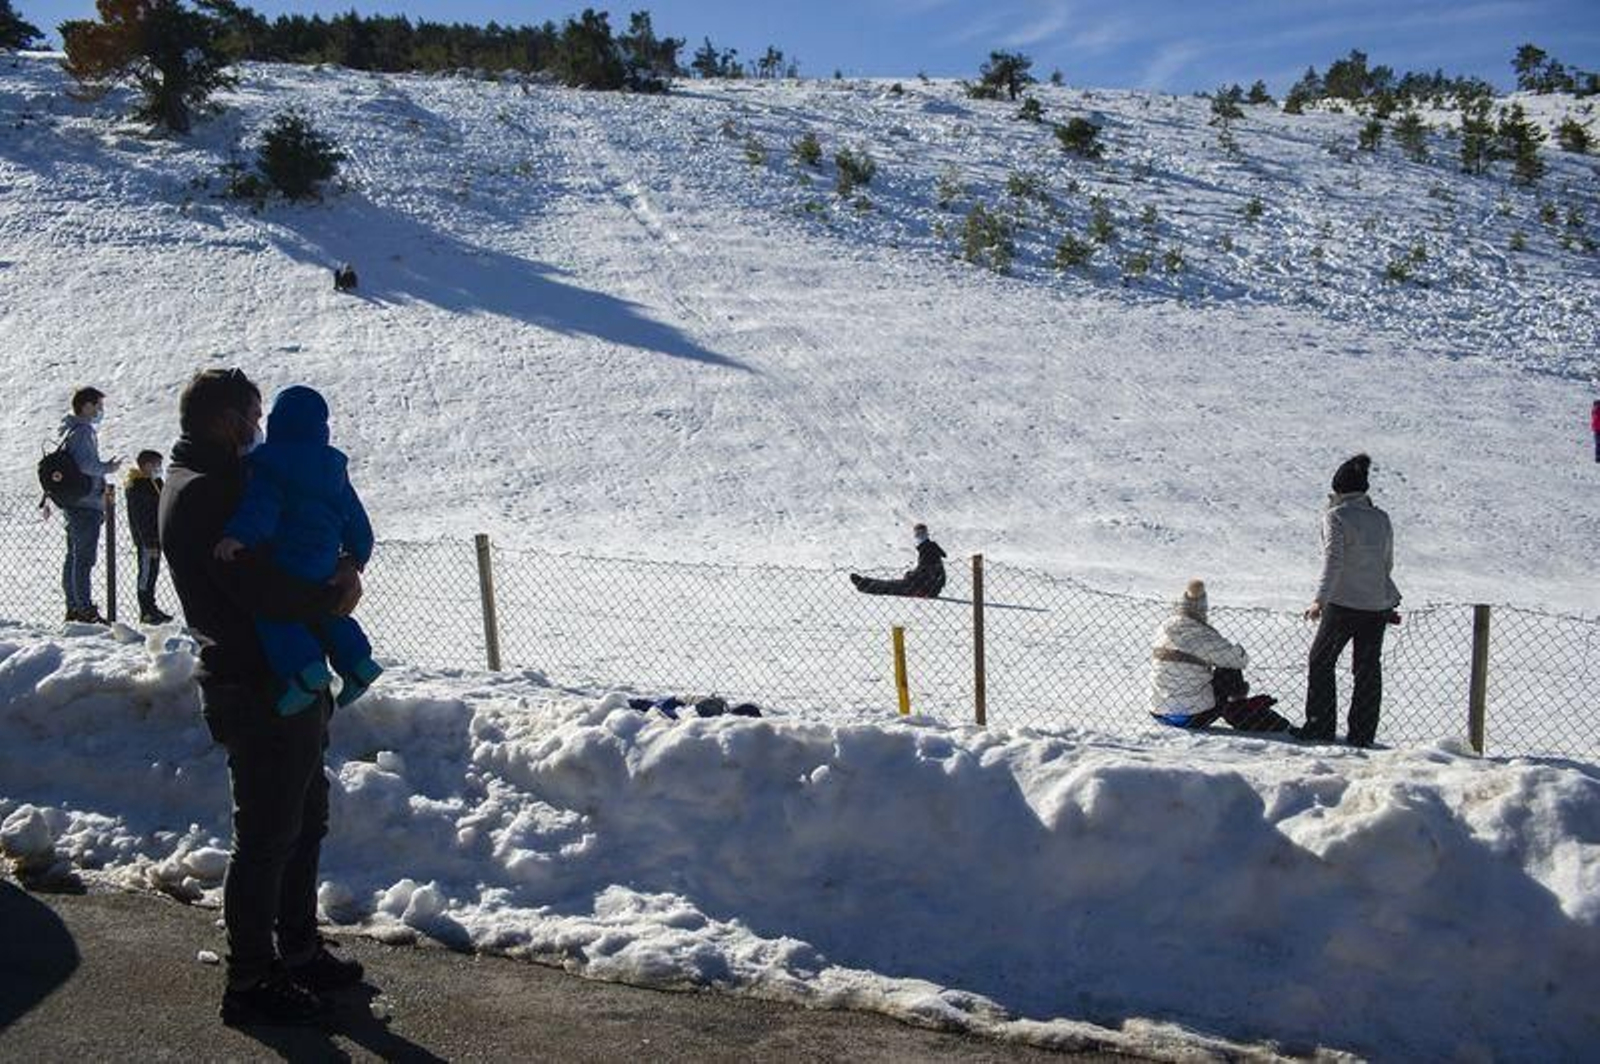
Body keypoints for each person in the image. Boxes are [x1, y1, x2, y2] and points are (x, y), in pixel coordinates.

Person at [160, 368, 367, 1026]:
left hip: (273, 678)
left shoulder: (205, 481)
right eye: (252, 416)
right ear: (225, 420)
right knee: (269, 836)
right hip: (257, 684)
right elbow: (259, 590)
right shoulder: (208, 494)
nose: (260, 430)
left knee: (303, 822)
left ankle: (298, 951)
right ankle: (251, 979)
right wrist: (334, 596)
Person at [214, 385, 381, 715]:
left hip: (287, 559)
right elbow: (356, 519)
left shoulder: (270, 464)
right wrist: (355, 555)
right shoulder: (334, 469)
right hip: (325, 562)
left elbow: (262, 507)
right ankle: (358, 663)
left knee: (275, 613)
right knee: (327, 610)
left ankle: (304, 674)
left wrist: (238, 536)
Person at [1294, 453, 1401, 748]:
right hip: (1377, 604)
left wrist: (1319, 600)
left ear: (1338, 490)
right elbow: (1386, 561)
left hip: (1343, 603)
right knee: (1367, 669)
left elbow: (1333, 561)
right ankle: (1363, 734)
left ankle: (1320, 725)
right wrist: (1381, 593)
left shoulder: (1336, 517)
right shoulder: (1381, 518)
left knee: (1320, 662)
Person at [1148, 579, 1291, 732]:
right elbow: (1239, 660)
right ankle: (1238, 713)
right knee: (1229, 669)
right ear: (1203, 608)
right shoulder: (1203, 633)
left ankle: (1236, 709)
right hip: (1193, 717)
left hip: (1158, 711)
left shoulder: (1163, 628)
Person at [58, 386, 119, 623]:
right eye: (98, 405)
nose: (100, 411)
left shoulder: (70, 430)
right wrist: (107, 468)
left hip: (74, 501)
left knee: (73, 557)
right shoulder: (82, 432)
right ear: (86, 406)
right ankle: (83, 609)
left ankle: (74, 606)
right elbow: (85, 465)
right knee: (83, 559)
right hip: (86, 503)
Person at [125, 449, 174, 624]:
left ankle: (152, 607)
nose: (159, 468)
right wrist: (149, 542)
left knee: (154, 572)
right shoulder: (138, 486)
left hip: (158, 537)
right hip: (147, 541)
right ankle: (145, 610)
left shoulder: (156, 482)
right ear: (146, 466)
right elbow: (141, 519)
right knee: (146, 574)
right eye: (156, 465)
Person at [849, 523, 947, 598]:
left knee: (890, 586)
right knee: (892, 584)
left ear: (926, 534)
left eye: (921, 534)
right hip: (927, 587)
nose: (919, 537)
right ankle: (864, 582)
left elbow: (924, 572)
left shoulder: (927, 549)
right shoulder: (930, 548)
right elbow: (925, 571)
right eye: (917, 534)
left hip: (924, 589)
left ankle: (863, 584)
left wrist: (910, 576)